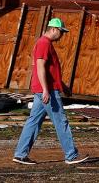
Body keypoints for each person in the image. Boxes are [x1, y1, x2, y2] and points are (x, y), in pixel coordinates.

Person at [12, 18, 88, 166]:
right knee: (61, 121)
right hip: (47, 90)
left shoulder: (45, 44)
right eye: (61, 32)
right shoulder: (44, 43)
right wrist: (46, 89)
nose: (62, 35)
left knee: (33, 122)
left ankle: (20, 155)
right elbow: (40, 67)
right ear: (53, 29)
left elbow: (50, 71)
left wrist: (62, 85)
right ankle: (71, 155)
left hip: (45, 89)